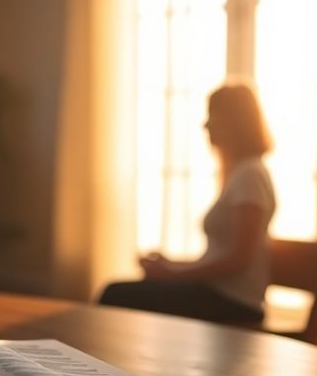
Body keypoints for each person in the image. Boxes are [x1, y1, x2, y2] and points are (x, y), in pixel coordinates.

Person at [98, 82, 276, 323]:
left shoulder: (249, 176)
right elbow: (221, 256)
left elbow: (239, 260)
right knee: (128, 292)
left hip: (234, 303)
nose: (206, 125)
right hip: (218, 294)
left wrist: (172, 274)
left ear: (234, 122)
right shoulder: (242, 174)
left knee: (116, 294)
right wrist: (171, 266)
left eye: (213, 116)